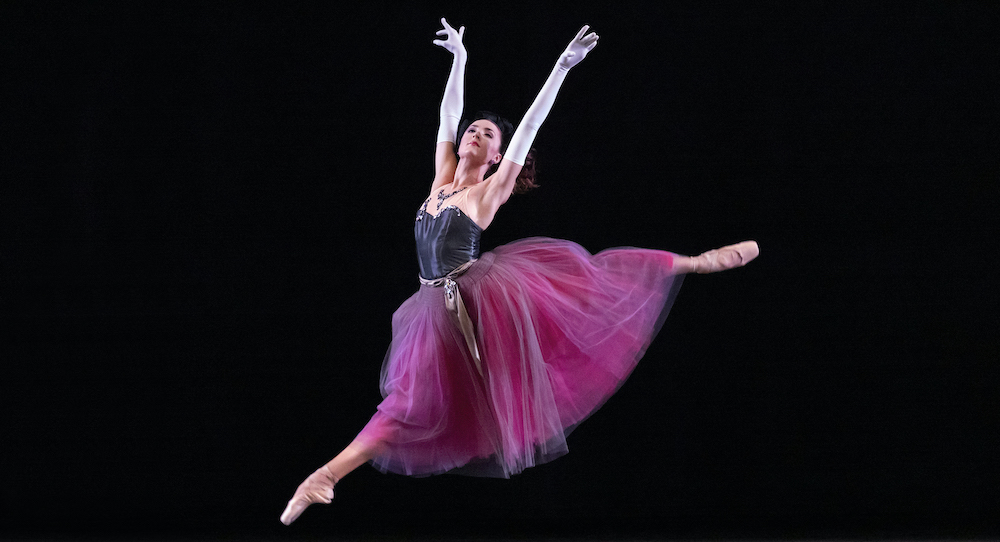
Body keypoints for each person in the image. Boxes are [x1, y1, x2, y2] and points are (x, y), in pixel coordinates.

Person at [280, 18, 758, 526]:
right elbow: (448, 114)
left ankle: (687, 262)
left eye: (487, 134)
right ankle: (325, 475)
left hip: (475, 299)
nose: (474, 132)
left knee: (583, 284)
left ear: (496, 156)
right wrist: (460, 61)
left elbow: (529, 126)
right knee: (409, 404)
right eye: (473, 128)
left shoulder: (487, 193)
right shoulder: (441, 179)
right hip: (429, 307)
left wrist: (560, 69)